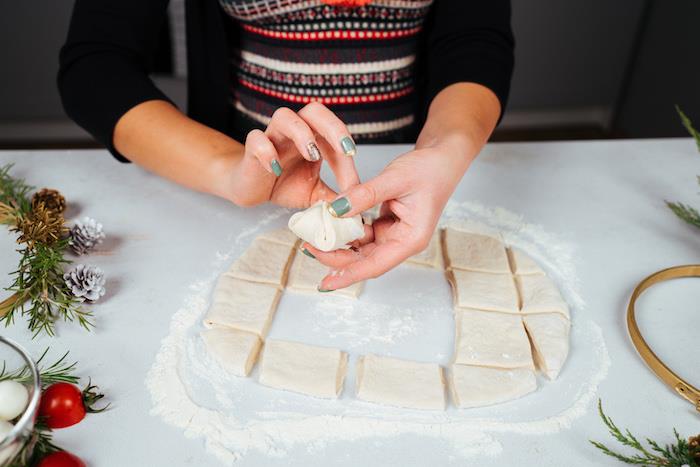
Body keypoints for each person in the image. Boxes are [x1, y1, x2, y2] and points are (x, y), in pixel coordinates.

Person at [58, 0, 514, 292]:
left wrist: (443, 153)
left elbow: (474, 40)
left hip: (409, 171)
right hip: (233, 178)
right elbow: (96, 67)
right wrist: (229, 169)